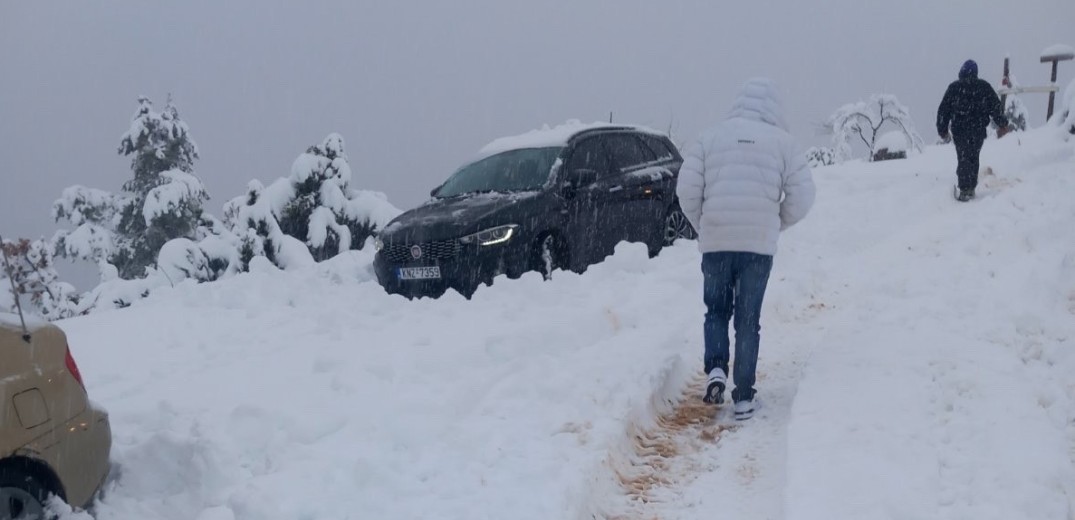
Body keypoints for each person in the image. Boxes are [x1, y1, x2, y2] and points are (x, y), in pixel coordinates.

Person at [676, 78, 815, 421]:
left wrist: (704, 224)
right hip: (757, 248)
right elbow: (803, 196)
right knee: (748, 320)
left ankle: (716, 369)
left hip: (717, 241)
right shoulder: (783, 143)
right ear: (773, 108)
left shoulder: (710, 138)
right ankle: (743, 396)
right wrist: (774, 222)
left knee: (716, 310)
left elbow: (687, 190)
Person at [936, 59, 1011, 202]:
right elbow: (995, 107)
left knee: (963, 157)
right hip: (977, 131)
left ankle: (965, 189)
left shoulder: (954, 88)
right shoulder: (983, 87)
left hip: (960, 130)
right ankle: (969, 187)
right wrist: (1003, 124)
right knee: (973, 157)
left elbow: (943, 111)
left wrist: (942, 129)